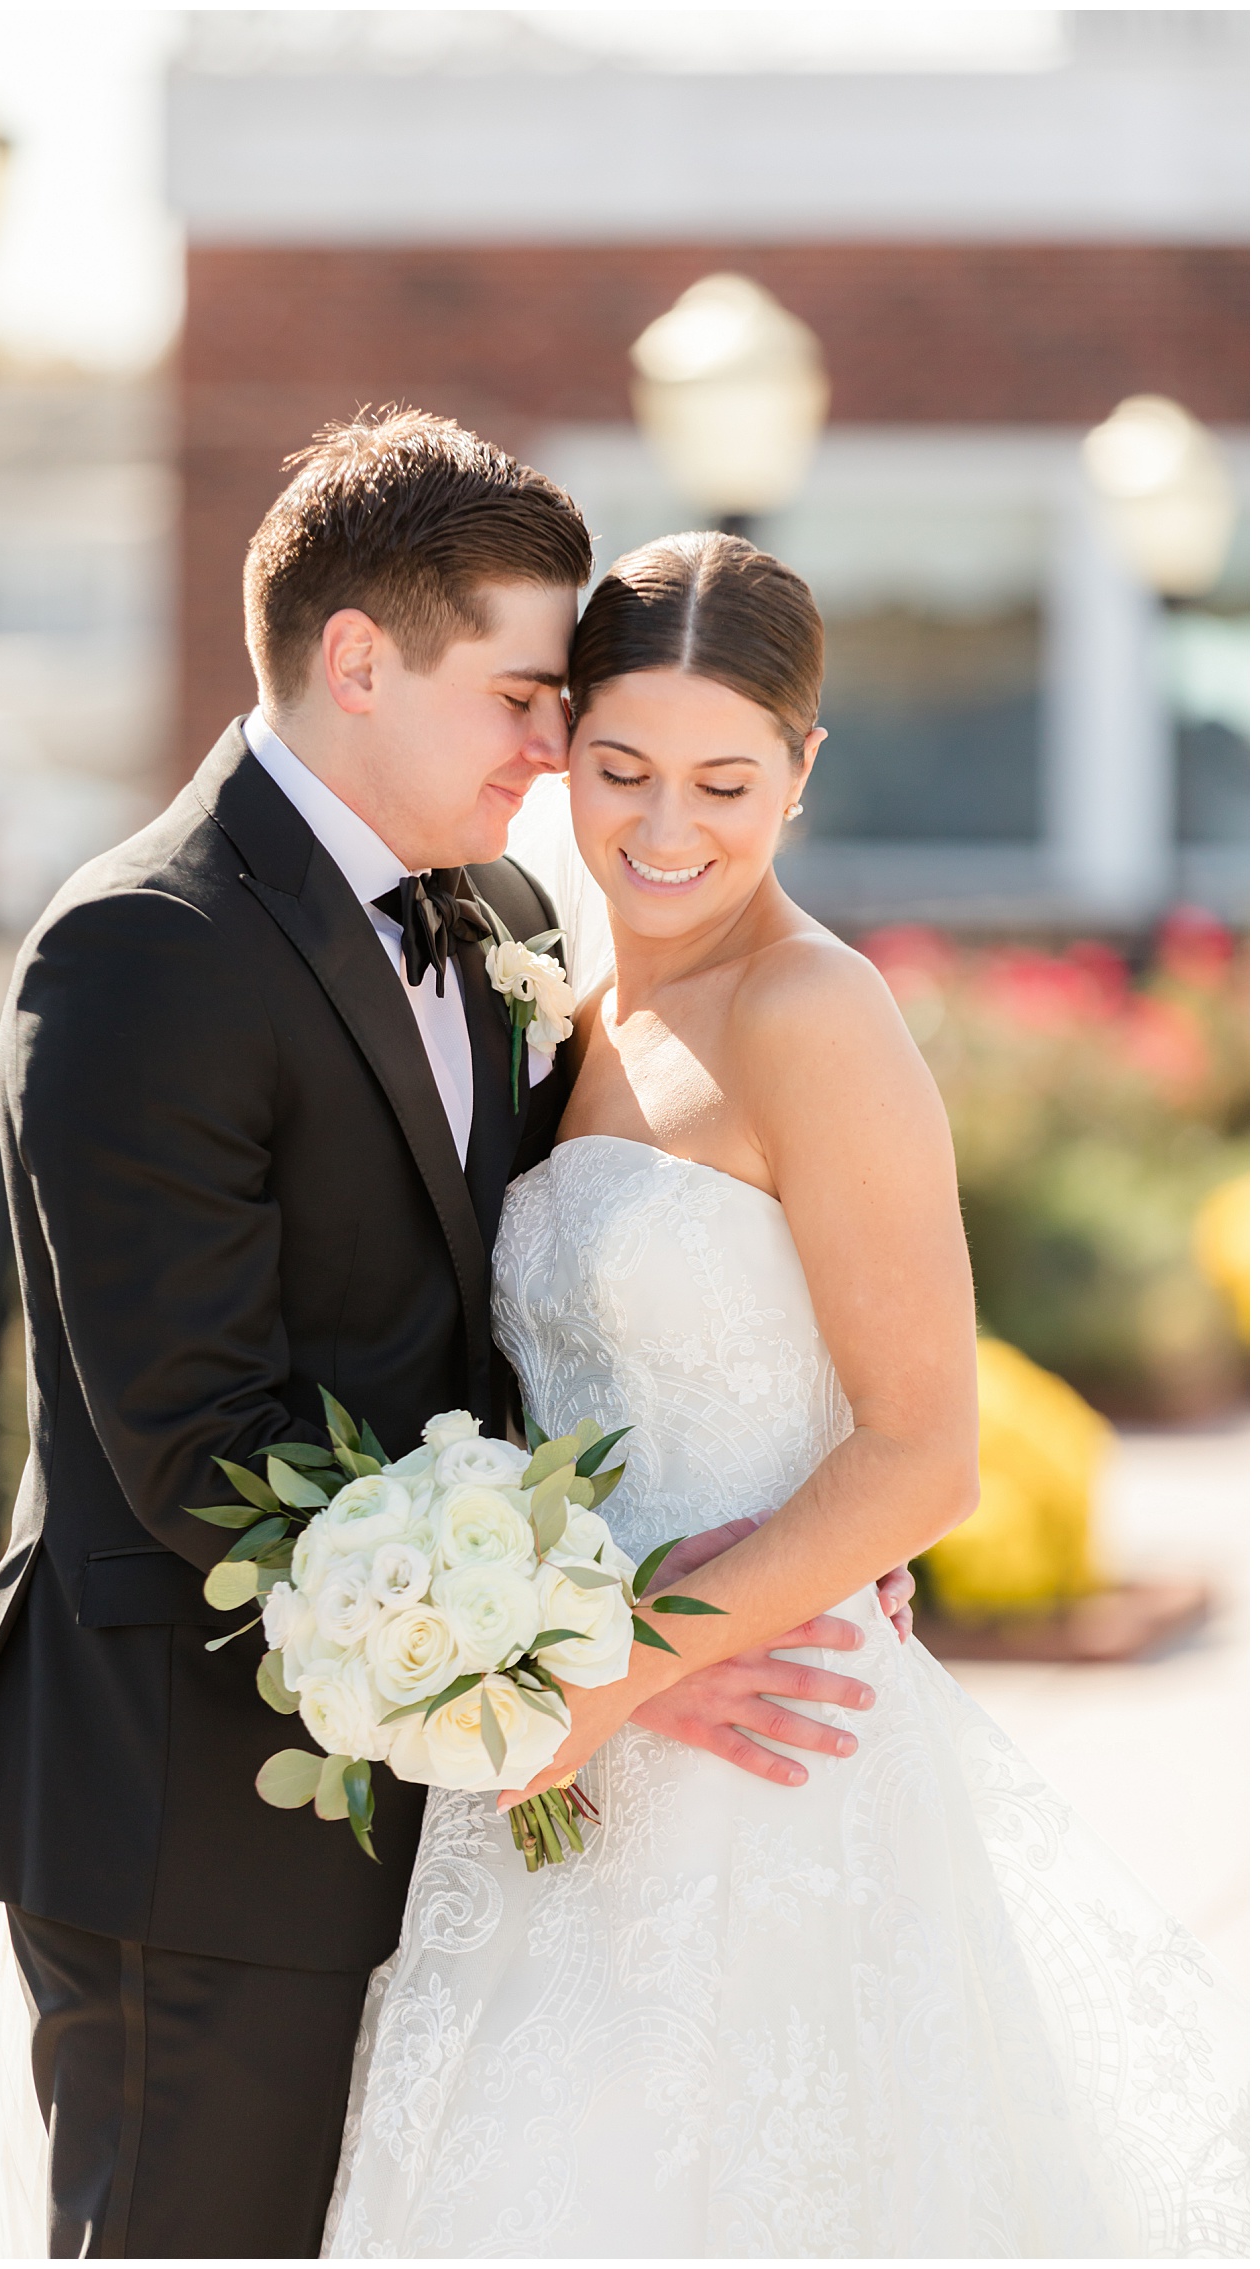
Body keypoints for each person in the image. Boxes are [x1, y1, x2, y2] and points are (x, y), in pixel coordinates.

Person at [0, 415, 915, 2261]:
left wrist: (788, 1525)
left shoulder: (518, 918)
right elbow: (206, 1444)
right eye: (528, 697)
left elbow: (536, 1327)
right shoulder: (142, 948)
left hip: (463, 1828)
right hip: (197, 1819)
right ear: (360, 659)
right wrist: (587, 1678)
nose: (557, 752)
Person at [324, 531, 1248, 2260]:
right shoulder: (569, 1006)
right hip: (561, 1766)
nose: (666, 831)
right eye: (623, 771)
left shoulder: (818, 1013)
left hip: (757, 1768)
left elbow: (923, 1451)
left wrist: (606, 1678)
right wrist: (512, 1664)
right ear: (568, 747)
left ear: (805, 770)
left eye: (725, 782)